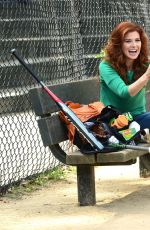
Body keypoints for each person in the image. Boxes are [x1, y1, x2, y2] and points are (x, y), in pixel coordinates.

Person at [99, 21, 150, 130]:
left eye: (137, 40)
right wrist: (147, 76)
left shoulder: (145, 63)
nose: (134, 45)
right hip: (115, 121)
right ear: (119, 44)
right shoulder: (106, 66)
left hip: (138, 118)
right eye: (128, 41)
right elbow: (124, 93)